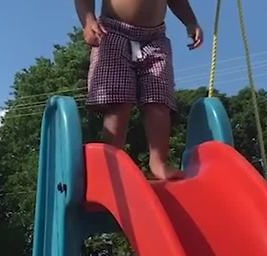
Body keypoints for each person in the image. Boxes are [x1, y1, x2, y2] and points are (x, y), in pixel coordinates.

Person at [75, 0, 203, 179]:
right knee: (118, 102)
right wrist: (88, 21)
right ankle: (111, 161)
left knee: (159, 100)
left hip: (154, 38)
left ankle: (158, 163)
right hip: (113, 32)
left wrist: (190, 21)